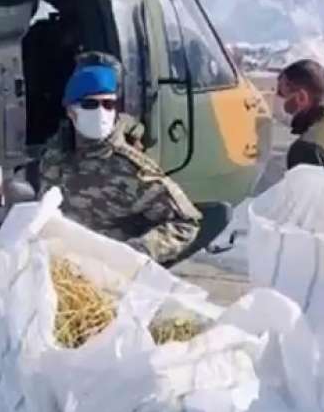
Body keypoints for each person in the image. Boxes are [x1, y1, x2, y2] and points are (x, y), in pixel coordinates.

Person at [37, 63, 202, 263]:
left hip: (108, 273)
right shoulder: (54, 156)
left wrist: (133, 253)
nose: (101, 112)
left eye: (108, 104)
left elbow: (186, 223)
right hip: (60, 265)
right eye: (90, 104)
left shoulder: (130, 168)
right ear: (71, 110)